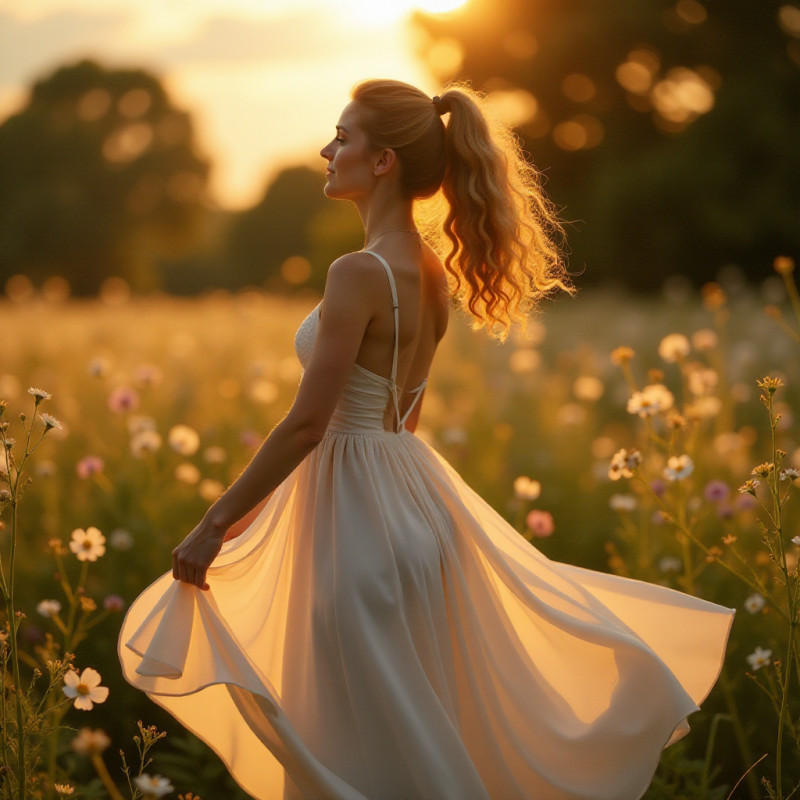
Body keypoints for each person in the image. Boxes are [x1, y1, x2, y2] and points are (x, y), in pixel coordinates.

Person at [118, 79, 734, 800]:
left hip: (356, 535)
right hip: (416, 517)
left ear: (382, 162)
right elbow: (397, 420)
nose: (327, 149)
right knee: (407, 736)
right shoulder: (431, 273)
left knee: (359, 754)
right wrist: (261, 519)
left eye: (343, 137)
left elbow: (311, 423)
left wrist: (214, 521)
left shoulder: (356, 273)